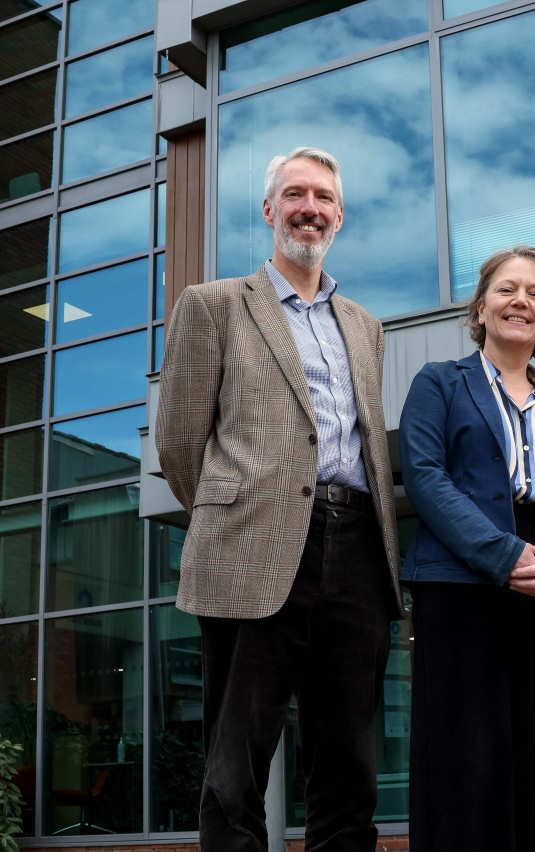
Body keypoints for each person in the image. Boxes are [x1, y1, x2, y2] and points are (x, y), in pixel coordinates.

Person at [156, 146, 400, 851]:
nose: (309, 209)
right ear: (269, 210)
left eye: (323, 198)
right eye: (295, 194)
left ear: (340, 216)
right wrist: (240, 515)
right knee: (235, 769)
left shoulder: (365, 326)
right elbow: (179, 442)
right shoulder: (213, 305)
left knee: (349, 767)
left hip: (358, 550)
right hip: (252, 549)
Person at [397, 246, 535, 852]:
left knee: (533, 757)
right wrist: (503, 555)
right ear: (480, 308)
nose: (520, 302)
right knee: (463, 760)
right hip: (461, 589)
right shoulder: (438, 383)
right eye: (506, 290)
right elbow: (425, 477)